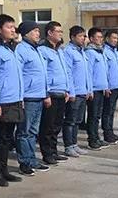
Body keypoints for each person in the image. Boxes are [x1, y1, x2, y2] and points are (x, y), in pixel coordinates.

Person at [0, 14, 24, 187]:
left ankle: (5, 170)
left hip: (15, 100)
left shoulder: (11, 49)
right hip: (2, 101)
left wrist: (21, 98)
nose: (13, 30)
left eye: (14, 27)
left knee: (8, 138)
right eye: (9, 27)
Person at [15, 21, 50, 175]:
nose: (38, 33)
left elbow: (43, 74)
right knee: (24, 131)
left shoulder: (36, 49)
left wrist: (46, 93)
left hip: (39, 96)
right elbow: (18, 75)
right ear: (26, 33)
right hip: (28, 96)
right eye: (35, 31)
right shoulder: (21, 49)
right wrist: (20, 96)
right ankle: (25, 162)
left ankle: (32, 159)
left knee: (33, 131)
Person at [38, 21, 71, 164]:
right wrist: (46, 93)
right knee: (48, 126)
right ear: (50, 33)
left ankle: (54, 150)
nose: (61, 34)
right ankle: (47, 153)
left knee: (57, 125)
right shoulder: (43, 50)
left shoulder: (59, 51)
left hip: (61, 92)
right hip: (51, 92)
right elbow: (43, 73)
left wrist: (67, 89)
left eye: (61, 31)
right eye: (58, 31)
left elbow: (65, 71)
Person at [62, 25, 93, 157]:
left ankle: (74, 144)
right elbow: (68, 73)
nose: (83, 39)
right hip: (75, 93)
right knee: (70, 120)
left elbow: (87, 73)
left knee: (78, 120)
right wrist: (71, 91)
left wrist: (89, 89)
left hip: (83, 92)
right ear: (72, 37)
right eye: (80, 36)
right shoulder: (68, 51)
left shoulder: (82, 52)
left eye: (84, 36)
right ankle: (68, 146)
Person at [84, 27, 111, 150]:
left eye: (101, 37)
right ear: (91, 38)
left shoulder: (100, 52)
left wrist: (106, 86)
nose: (100, 39)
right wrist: (89, 89)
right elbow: (88, 72)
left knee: (97, 116)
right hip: (94, 89)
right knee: (93, 115)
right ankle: (92, 139)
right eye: (98, 37)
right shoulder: (90, 52)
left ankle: (97, 137)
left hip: (101, 88)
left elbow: (104, 72)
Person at [102, 30, 118, 144]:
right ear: (107, 38)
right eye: (113, 38)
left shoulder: (116, 52)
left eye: (117, 38)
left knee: (112, 110)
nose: (115, 40)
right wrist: (106, 85)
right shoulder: (105, 51)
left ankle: (110, 131)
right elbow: (105, 71)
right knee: (107, 111)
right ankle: (107, 133)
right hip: (110, 86)